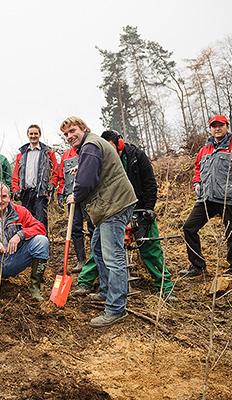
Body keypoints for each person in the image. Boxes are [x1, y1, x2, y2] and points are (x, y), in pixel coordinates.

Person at [75, 131, 176, 300]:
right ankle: (85, 281)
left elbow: (150, 183)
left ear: (119, 144)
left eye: (111, 146)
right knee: (100, 247)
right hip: (113, 209)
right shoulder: (101, 156)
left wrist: (149, 209)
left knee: (150, 248)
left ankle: (166, 287)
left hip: (139, 208)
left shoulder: (136, 156)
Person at [61, 117, 137, 327]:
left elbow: (86, 182)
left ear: (84, 129)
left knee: (113, 258)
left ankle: (116, 308)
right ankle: (105, 291)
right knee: (98, 248)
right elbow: (93, 169)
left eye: (73, 131)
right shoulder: (90, 146)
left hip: (114, 204)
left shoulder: (91, 145)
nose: (69, 136)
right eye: (66, 134)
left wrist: (75, 195)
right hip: (109, 205)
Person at [181, 115, 232, 278]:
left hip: (228, 198)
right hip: (206, 198)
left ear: (227, 127)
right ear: (210, 129)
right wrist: (197, 183)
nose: (217, 128)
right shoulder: (205, 150)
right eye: (214, 126)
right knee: (189, 227)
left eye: (221, 125)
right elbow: (197, 168)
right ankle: (198, 266)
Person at [11, 124, 58, 233]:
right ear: (27, 135)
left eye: (35, 133)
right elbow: (15, 176)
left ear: (40, 135)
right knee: (25, 224)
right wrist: (15, 190)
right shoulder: (21, 155)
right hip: (25, 194)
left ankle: (42, 249)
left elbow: (55, 171)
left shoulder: (47, 152)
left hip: (40, 194)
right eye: (31, 133)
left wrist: (52, 184)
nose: (33, 136)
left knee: (41, 223)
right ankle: (28, 248)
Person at [56, 145, 95, 274]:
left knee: (92, 227)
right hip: (70, 195)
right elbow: (61, 177)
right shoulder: (66, 155)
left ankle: (95, 259)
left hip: (87, 195)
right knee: (75, 227)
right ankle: (81, 260)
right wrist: (61, 193)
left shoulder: (87, 151)